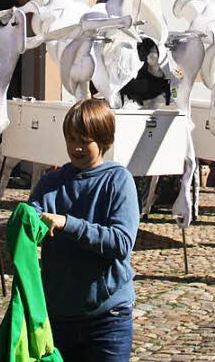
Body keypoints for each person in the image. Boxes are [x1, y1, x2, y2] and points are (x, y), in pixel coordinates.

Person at [29, 98, 139, 362]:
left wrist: (68, 224)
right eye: (71, 139)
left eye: (84, 141)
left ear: (102, 140)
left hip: (107, 317)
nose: (76, 148)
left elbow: (121, 242)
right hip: (59, 316)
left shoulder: (118, 180)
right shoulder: (51, 183)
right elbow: (28, 221)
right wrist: (26, 223)